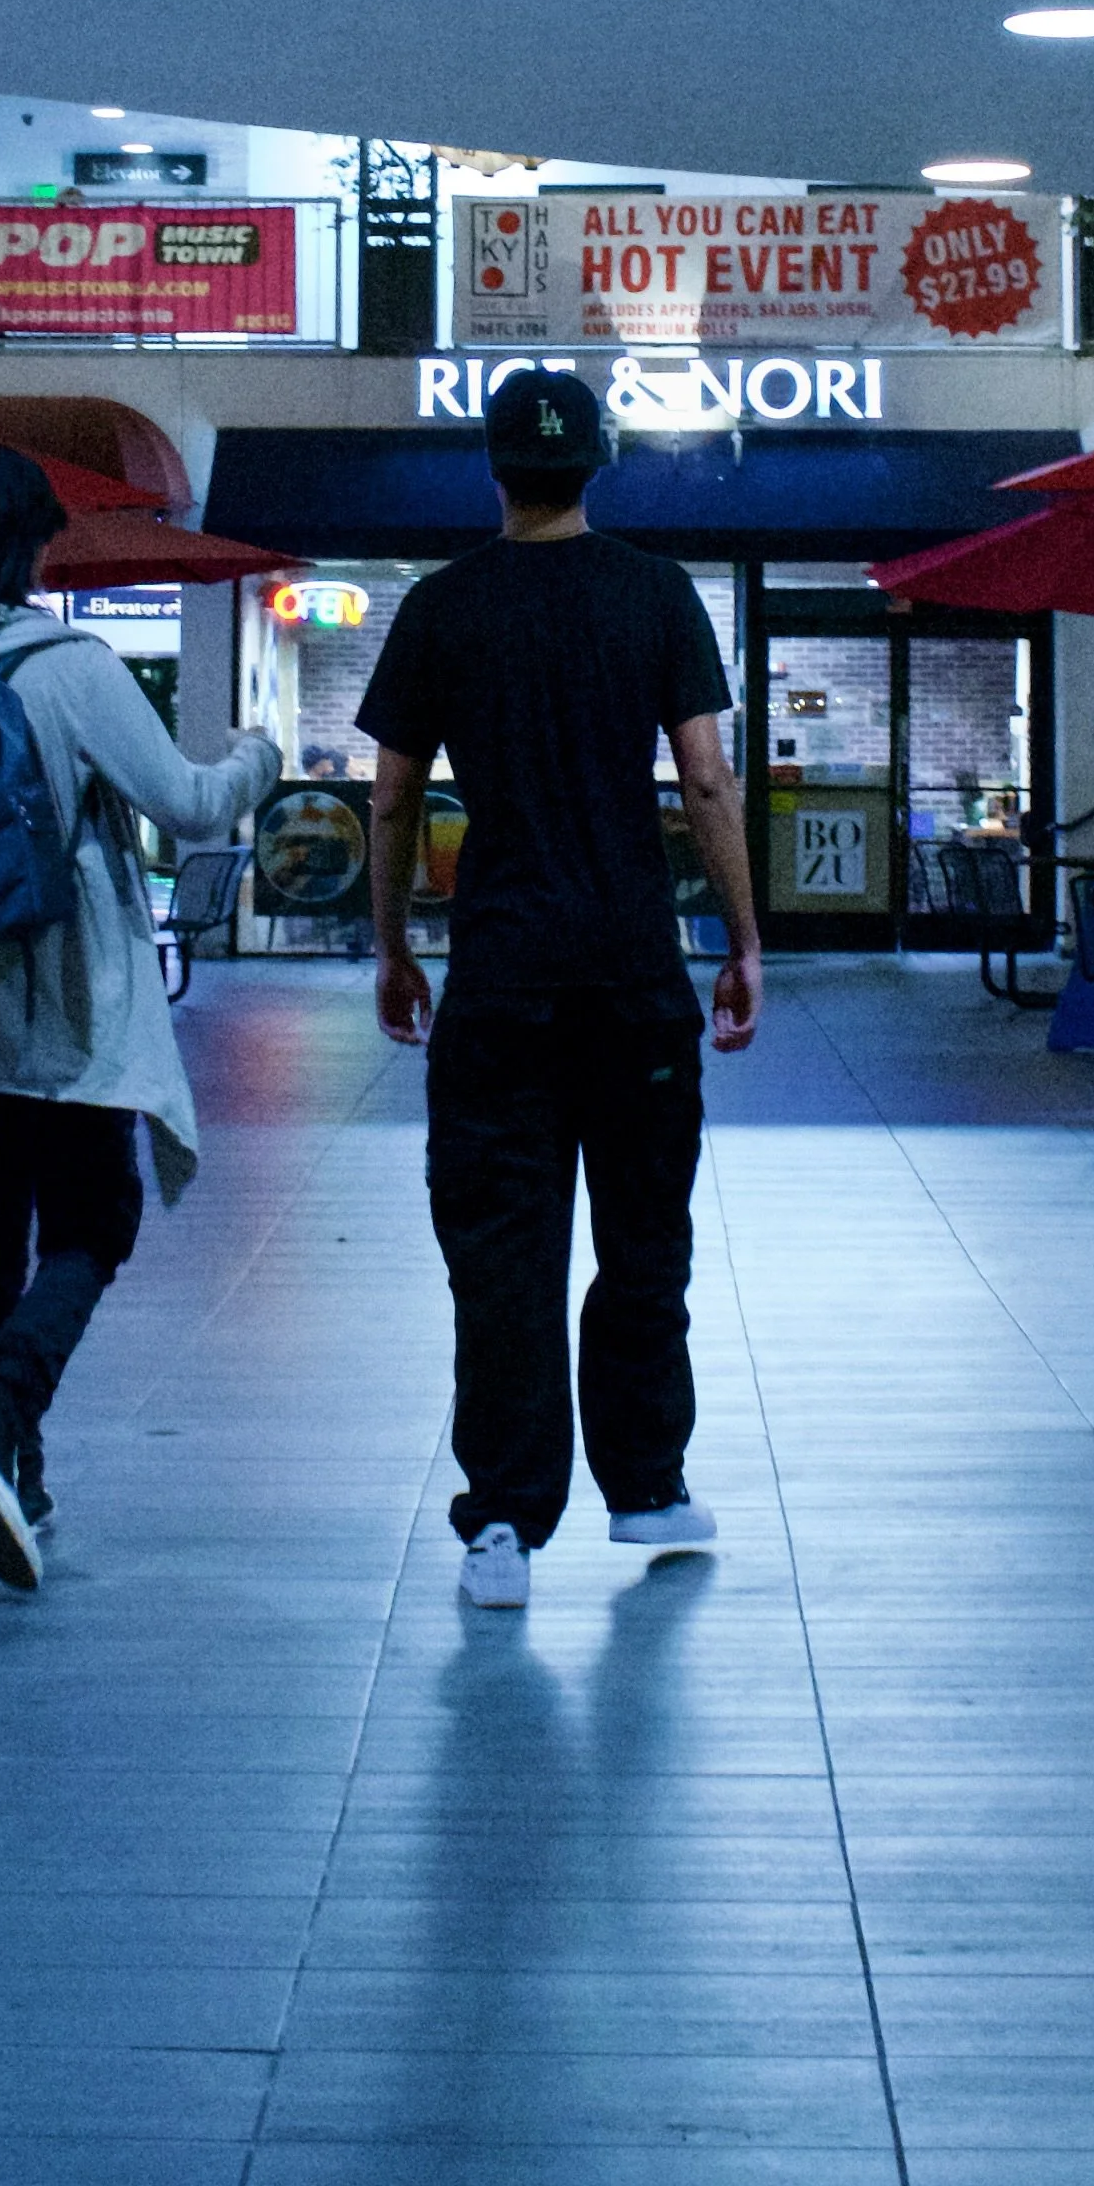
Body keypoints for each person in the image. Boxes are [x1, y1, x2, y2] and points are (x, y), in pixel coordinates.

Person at [355, 366, 761, 1610]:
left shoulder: (439, 605)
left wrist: (390, 943)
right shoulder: (654, 593)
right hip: (634, 977)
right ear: (598, 464)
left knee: (502, 1252)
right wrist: (745, 939)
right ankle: (644, 1486)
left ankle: (504, 1527)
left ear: (494, 467)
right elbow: (703, 783)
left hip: (502, 981)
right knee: (645, 1239)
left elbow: (392, 794)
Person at [0, 443, 280, 1592]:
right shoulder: (70, 664)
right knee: (96, 1223)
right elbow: (185, 806)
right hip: (68, 999)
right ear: (37, 542)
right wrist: (253, 757)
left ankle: (19, 1480)